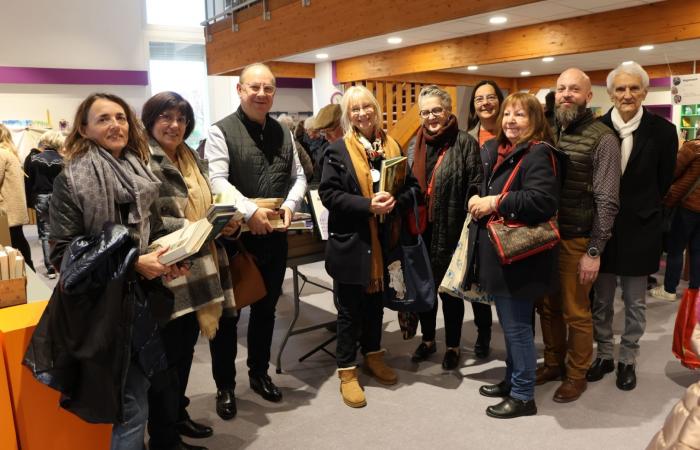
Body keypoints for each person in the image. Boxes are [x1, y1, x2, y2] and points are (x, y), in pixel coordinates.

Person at [49, 93, 185, 450]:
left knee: (138, 395)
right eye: (104, 119)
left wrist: (165, 256)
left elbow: (149, 231)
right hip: (99, 308)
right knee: (130, 406)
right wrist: (134, 262)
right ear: (84, 128)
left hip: (139, 300)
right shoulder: (72, 179)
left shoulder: (138, 172)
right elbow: (64, 255)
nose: (116, 125)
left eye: (121, 118)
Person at [204, 63, 307, 419]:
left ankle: (259, 373)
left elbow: (298, 177)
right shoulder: (220, 132)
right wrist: (250, 212)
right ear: (239, 90)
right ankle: (225, 386)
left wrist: (292, 204)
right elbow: (217, 180)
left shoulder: (284, 132)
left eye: (268, 88)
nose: (262, 94)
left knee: (266, 311)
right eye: (255, 87)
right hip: (235, 241)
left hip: (275, 239)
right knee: (228, 318)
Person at [143, 91, 240, 450]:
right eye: (166, 117)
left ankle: (178, 414)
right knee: (168, 359)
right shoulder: (143, 161)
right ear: (151, 121)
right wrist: (198, 226)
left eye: (182, 118)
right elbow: (146, 220)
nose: (175, 125)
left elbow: (208, 202)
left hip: (201, 263)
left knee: (184, 352)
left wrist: (224, 223)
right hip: (168, 272)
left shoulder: (190, 158)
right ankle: (164, 437)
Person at [319, 85, 419, 408]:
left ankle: (374, 356)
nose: (362, 113)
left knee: (376, 305)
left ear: (376, 109)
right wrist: (367, 205)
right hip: (352, 243)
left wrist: (394, 201)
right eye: (355, 109)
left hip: (384, 244)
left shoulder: (393, 145)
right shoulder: (337, 151)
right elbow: (329, 195)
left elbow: (412, 188)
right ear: (348, 115)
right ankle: (347, 371)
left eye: (367, 107)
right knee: (349, 310)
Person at [467, 92, 559, 419]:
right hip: (501, 255)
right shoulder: (498, 150)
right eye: (508, 114)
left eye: (520, 115)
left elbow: (542, 201)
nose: (510, 121)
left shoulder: (537, 154)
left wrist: (495, 203)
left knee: (518, 327)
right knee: (509, 324)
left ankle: (523, 395)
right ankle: (511, 379)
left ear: (534, 121)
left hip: (521, 257)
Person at [589, 62, 678, 391]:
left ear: (644, 91)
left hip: (642, 230)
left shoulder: (663, 131)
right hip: (603, 231)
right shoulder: (597, 129)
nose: (627, 95)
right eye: (620, 89)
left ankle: (628, 358)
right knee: (602, 299)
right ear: (611, 93)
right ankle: (605, 354)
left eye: (634, 88)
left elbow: (664, 180)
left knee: (636, 303)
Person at [536, 68, 620, 403]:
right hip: (543, 237)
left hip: (577, 239)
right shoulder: (547, 131)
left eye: (574, 89)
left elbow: (608, 200)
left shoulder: (604, 138)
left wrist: (594, 250)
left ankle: (576, 374)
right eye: (561, 89)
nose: (566, 94)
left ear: (588, 96)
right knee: (547, 307)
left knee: (576, 312)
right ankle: (553, 363)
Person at [408, 85, 486, 368]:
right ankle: (428, 340)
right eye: (425, 112)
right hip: (420, 231)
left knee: (449, 293)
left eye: (436, 110)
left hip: (453, 231)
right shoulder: (413, 144)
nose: (431, 117)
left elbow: (476, 183)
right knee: (425, 290)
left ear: (448, 110)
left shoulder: (464, 143)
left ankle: (453, 346)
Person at [651, 139, 700, 301]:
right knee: (697, 251)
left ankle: (669, 289)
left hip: (687, 205)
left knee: (676, 249)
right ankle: (695, 291)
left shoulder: (693, 147)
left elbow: (672, 171)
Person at [24, 130, 65, 278]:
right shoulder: (63, 160)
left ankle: (50, 268)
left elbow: (29, 182)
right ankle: (62, 263)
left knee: (45, 233)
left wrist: (30, 201)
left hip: (40, 197)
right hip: (59, 198)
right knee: (62, 230)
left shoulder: (33, 159)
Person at [0, 124, 34, 271]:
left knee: (11, 249)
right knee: (18, 243)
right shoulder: (9, 153)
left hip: (5, 210)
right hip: (13, 210)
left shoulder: (1, 153)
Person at [467, 80, 505, 148]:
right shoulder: (466, 138)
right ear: (473, 106)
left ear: (500, 102)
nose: (485, 102)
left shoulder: (512, 133)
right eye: (479, 99)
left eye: (491, 97)